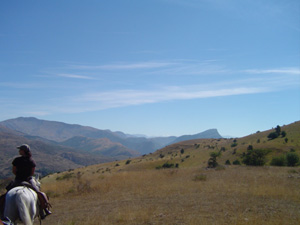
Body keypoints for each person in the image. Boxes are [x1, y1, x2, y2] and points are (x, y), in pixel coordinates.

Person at [1, 144, 51, 219]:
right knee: (39, 193)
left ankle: (1, 212)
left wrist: (19, 176)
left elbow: (14, 171)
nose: (19, 151)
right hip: (29, 180)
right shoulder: (31, 161)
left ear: (23, 151)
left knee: (6, 194)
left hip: (18, 180)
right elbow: (32, 173)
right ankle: (44, 210)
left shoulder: (17, 160)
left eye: (20, 150)